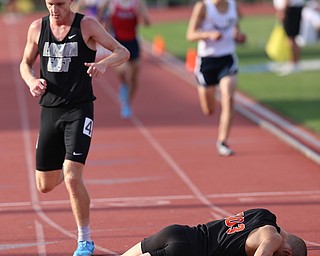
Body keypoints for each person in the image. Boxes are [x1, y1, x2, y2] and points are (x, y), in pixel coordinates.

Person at [19, 0, 130, 255]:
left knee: (71, 175)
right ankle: (69, 171)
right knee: (44, 185)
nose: (54, 9)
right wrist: (31, 80)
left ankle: (84, 240)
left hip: (79, 109)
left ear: (70, 1)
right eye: (49, 4)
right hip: (50, 110)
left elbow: (122, 51)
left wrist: (104, 63)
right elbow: (25, 63)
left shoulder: (87, 25)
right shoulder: (37, 28)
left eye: (59, 4)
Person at [186, 0, 246, 156]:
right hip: (207, 61)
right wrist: (208, 34)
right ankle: (221, 137)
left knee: (228, 98)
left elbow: (235, 29)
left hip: (227, 59)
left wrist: (238, 36)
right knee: (209, 110)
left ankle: (222, 141)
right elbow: (190, 34)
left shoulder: (233, 5)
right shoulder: (203, 7)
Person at [120, 208, 307, 256]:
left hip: (177, 232)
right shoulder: (272, 237)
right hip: (187, 252)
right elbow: (263, 253)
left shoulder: (265, 215)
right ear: (287, 252)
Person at [100, 0, 151, 119]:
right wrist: (105, 24)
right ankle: (124, 86)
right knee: (123, 71)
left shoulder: (137, 3)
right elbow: (101, 15)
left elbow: (147, 23)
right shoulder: (112, 3)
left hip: (133, 42)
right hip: (118, 43)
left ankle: (127, 103)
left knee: (133, 78)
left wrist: (143, 16)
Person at [273, 0, 305, 75]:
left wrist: (283, 10)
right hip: (292, 8)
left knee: (290, 38)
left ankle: (294, 62)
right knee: (292, 37)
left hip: (290, 9)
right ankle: (294, 62)